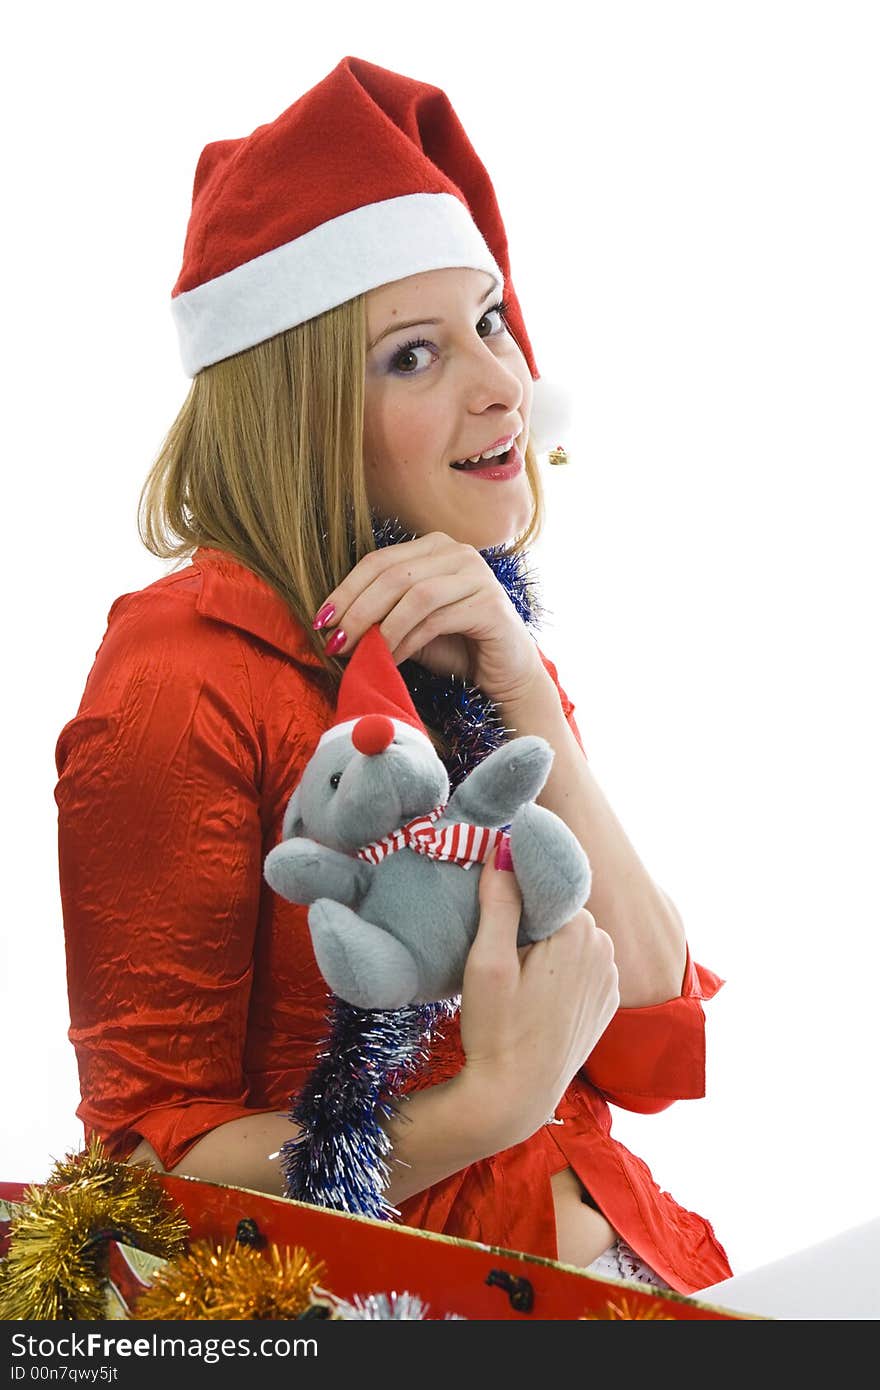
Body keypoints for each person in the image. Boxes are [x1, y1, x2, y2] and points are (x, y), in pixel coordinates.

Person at [54, 55, 733, 1296]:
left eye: (487, 319)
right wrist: (490, 1106)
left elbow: (642, 1012)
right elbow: (143, 1179)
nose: (502, 383)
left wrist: (527, 688)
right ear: (301, 413)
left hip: (602, 1262)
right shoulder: (173, 676)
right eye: (412, 356)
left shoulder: (467, 629)